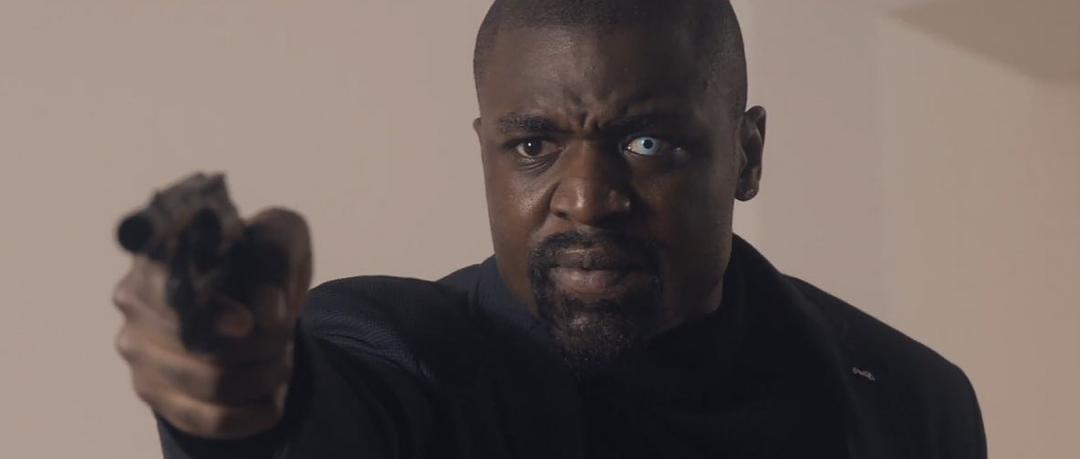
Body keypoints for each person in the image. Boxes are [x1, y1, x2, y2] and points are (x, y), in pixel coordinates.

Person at [113, 0, 987, 457]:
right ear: (487, 154)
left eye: (648, 143)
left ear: (746, 155)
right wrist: (245, 400)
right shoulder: (407, 359)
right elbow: (323, 413)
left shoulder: (912, 399)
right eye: (533, 145)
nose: (587, 198)